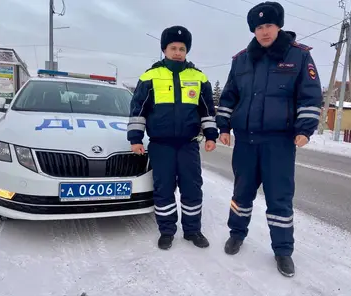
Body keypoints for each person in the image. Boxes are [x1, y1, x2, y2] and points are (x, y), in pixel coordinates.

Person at [216, 1, 322, 277]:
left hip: (280, 143)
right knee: (242, 193)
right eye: (259, 27)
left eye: (270, 25)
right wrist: (223, 126)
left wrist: (304, 128)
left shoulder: (298, 56)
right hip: (246, 141)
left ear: (279, 26)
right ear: (253, 30)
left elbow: (310, 96)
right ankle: (236, 234)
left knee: (279, 199)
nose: (264, 31)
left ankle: (283, 251)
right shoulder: (241, 60)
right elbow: (229, 96)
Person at [127, 25, 218, 250]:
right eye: (173, 48)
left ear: (187, 51)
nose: (177, 52)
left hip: (188, 145)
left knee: (192, 187)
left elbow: (207, 110)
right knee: (164, 188)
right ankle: (167, 231)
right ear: (164, 49)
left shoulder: (198, 77)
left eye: (182, 48)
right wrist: (135, 138)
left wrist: (210, 135)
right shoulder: (150, 76)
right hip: (161, 145)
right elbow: (138, 109)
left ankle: (192, 230)